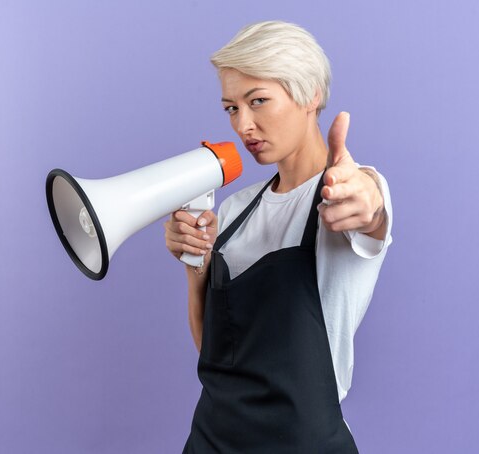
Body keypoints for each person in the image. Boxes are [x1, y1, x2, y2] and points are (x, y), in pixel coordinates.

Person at [165, 20, 392, 453]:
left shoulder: (340, 196)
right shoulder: (231, 211)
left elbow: (371, 211)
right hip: (211, 439)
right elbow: (215, 354)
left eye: (259, 101)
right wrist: (195, 267)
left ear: (311, 96)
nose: (242, 125)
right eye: (231, 108)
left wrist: (369, 199)